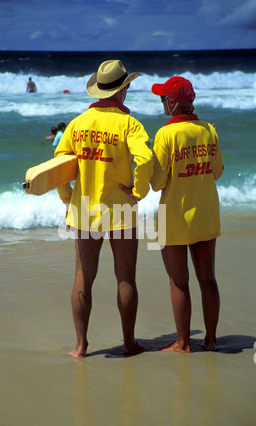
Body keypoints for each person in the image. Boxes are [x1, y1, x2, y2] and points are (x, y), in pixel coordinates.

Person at [54, 60, 154, 358]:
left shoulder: (77, 123)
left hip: (84, 210)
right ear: (123, 90)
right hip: (120, 210)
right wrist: (139, 192)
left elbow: (59, 164)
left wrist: (68, 198)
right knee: (125, 277)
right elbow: (145, 160)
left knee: (84, 277)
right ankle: (129, 343)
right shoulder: (129, 124)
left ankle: (81, 346)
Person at [150, 76, 224, 353]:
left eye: (163, 100)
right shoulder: (208, 130)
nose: (161, 104)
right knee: (208, 278)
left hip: (175, 216)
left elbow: (157, 183)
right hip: (205, 211)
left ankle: (183, 343)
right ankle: (212, 340)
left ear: (172, 103)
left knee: (178, 281)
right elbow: (217, 172)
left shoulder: (165, 135)